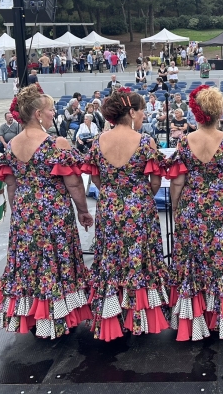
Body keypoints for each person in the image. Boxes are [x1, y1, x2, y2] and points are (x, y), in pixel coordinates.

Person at [0, 85, 94, 339]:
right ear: (38, 113)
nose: (53, 113)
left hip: (25, 212)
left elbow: (11, 185)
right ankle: (59, 316)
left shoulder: (13, 144)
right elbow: (73, 183)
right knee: (55, 262)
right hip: (53, 212)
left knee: (31, 265)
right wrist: (83, 211)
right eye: (50, 110)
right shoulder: (56, 143)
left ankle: (35, 317)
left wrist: (18, 214)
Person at [164, 85, 223, 340]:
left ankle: (199, 319)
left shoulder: (185, 141)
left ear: (196, 113)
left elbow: (177, 183)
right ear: (219, 112)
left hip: (192, 209)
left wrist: (176, 207)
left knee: (194, 264)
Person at [81, 90, 170, 340]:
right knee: (138, 260)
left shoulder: (98, 141)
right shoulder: (145, 141)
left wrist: (112, 191)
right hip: (139, 207)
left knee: (112, 259)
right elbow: (155, 180)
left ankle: (113, 313)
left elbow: (95, 178)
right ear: (131, 112)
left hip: (109, 207)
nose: (143, 116)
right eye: (141, 111)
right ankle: (138, 316)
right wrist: (139, 194)